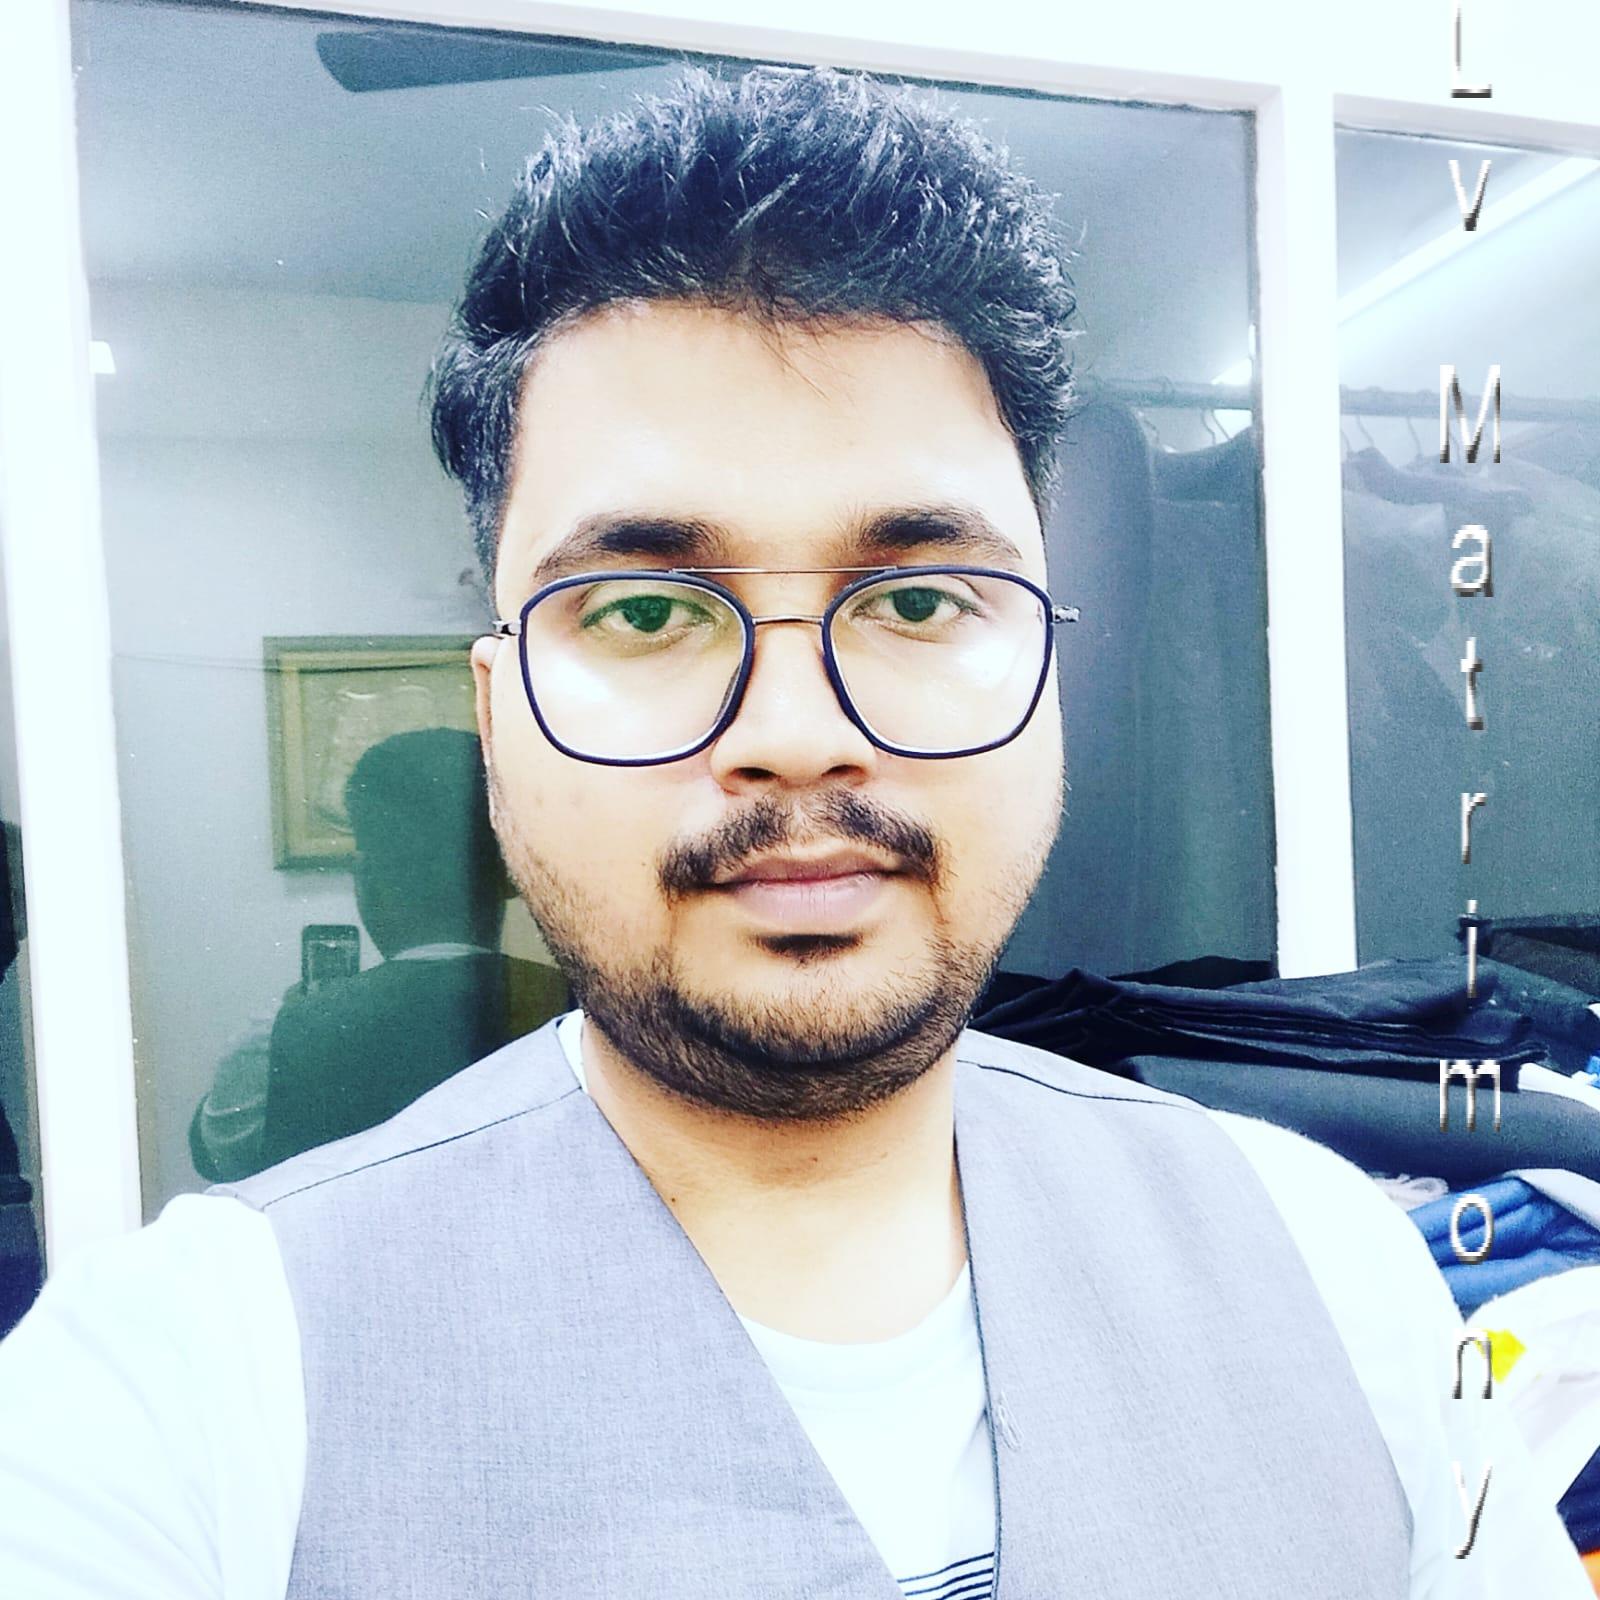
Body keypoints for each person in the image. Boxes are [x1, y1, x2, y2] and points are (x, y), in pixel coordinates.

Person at [0, 62, 1588, 1600]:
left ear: (1048, 669)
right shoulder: (178, 1399)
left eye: (918, 599)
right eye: (643, 610)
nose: (795, 727)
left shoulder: (1327, 1264)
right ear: (499, 716)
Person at [186, 728, 569, 1181]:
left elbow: (219, 1153)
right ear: (510, 876)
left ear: (367, 882)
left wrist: (306, 1024)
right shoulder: (582, 1014)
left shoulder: (282, 1034)